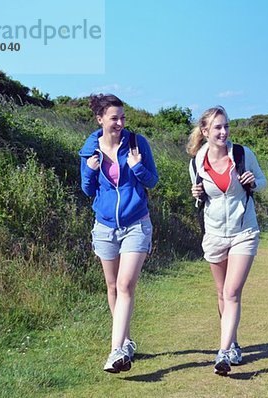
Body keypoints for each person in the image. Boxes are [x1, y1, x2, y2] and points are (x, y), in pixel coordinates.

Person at [79, 94, 159, 373]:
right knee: (112, 287)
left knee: (125, 285)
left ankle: (115, 352)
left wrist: (137, 167)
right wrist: (90, 171)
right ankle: (125, 342)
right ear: (100, 119)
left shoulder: (138, 144)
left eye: (123, 117)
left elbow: (153, 180)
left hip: (136, 223)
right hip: (104, 227)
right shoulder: (90, 150)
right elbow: (87, 190)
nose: (121, 123)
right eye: (115, 118)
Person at [187, 105, 267, 375]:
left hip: (244, 232)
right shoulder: (197, 161)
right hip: (214, 234)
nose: (224, 132)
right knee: (222, 294)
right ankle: (231, 344)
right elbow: (201, 197)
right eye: (218, 127)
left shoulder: (242, 154)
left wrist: (253, 182)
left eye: (226, 126)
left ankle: (222, 354)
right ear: (205, 131)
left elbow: (263, 181)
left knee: (232, 292)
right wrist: (196, 192)